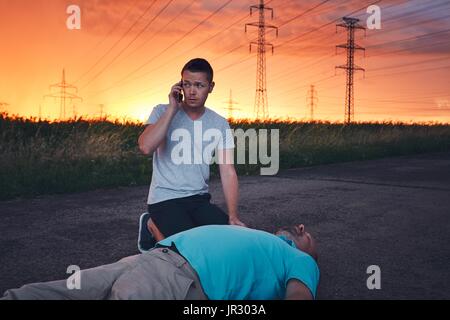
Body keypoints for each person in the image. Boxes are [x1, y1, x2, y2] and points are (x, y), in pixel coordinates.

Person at [2, 224, 319, 300]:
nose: (301, 228)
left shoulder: (299, 258)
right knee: (64, 290)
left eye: (307, 234)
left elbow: (299, 296)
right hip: (154, 256)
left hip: (181, 275)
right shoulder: (259, 238)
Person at [137, 58, 245, 252]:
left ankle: (163, 229)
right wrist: (172, 108)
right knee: (191, 251)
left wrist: (232, 216)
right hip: (165, 199)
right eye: (187, 84)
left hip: (198, 199)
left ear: (210, 87)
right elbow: (146, 147)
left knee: (229, 243)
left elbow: (227, 170)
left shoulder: (219, 123)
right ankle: (153, 226)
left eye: (199, 85)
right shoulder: (162, 111)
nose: (192, 91)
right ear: (180, 85)